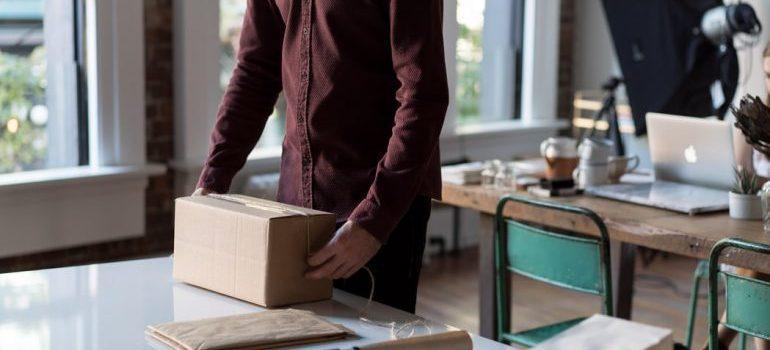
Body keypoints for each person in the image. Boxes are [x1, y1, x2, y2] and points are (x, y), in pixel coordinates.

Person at [193, 0, 448, 314]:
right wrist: (211, 182)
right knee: (294, 333)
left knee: (374, 337)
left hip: (378, 206)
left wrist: (374, 221)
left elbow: (423, 97)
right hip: (295, 208)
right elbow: (254, 73)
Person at [701, 42, 770, 350]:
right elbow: (740, 177)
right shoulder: (757, 117)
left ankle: (717, 340)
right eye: (768, 75)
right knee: (756, 260)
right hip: (755, 228)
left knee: (757, 264)